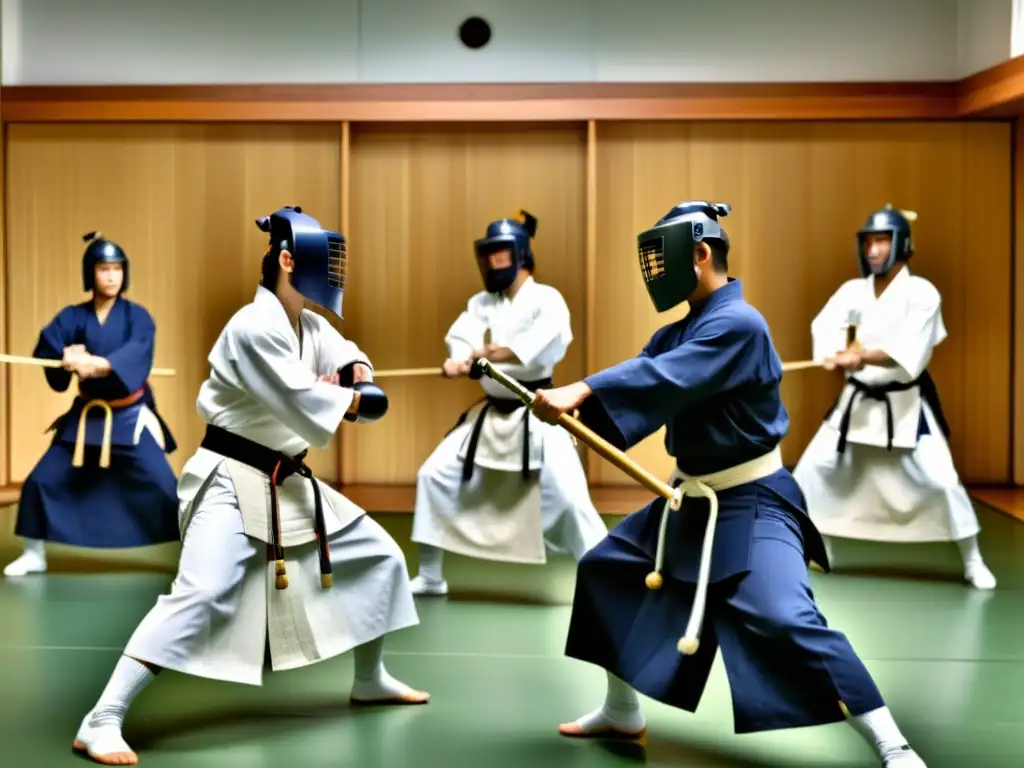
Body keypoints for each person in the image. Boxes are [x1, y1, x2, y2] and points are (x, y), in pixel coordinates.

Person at [529, 202, 927, 767]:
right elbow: (653, 382)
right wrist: (573, 409)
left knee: (784, 616)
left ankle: (894, 743)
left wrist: (584, 388)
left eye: (660, 255)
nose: (653, 269)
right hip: (690, 497)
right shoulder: (680, 330)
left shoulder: (741, 324)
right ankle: (622, 711)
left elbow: (662, 377)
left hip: (754, 499)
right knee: (605, 571)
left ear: (700, 253)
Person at [72, 207, 428, 765]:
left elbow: (352, 359)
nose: (335, 274)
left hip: (283, 475)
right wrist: (351, 398)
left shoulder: (309, 324)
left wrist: (355, 377)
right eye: (326, 263)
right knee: (202, 593)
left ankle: (370, 677)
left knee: (380, 555)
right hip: (229, 477)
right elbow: (309, 400)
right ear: (289, 261)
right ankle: (103, 718)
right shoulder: (252, 326)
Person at [792, 205, 995, 590]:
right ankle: (823, 550)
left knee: (942, 481)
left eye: (881, 241)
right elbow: (826, 324)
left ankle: (973, 560)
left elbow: (910, 349)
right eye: (868, 242)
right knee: (812, 472)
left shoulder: (922, 293)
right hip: (858, 403)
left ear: (900, 245)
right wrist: (836, 352)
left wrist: (862, 354)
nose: (873, 250)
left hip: (904, 405)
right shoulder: (854, 290)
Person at [409, 211, 606, 595]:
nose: (491, 264)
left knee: (570, 499)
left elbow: (528, 349)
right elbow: (464, 333)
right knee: (432, 476)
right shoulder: (482, 301)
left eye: (499, 255)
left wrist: (481, 356)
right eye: (487, 256)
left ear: (520, 255)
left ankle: (607, 580)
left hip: (540, 410)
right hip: (490, 416)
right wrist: (458, 357)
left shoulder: (548, 300)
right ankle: (431, 577)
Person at [3, 232, 179, 577]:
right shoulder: (73, 317)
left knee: (166, 487)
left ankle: (195, 555)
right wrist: (65, 356)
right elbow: (49, 347)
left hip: (129, 415)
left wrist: (99, 363)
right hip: (86, 419)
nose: (112, 276)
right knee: (42, 480)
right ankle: (34, 554)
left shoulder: (137, 317)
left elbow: (137, 354)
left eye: (117, 268)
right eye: (103, 268)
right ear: (90, 274)